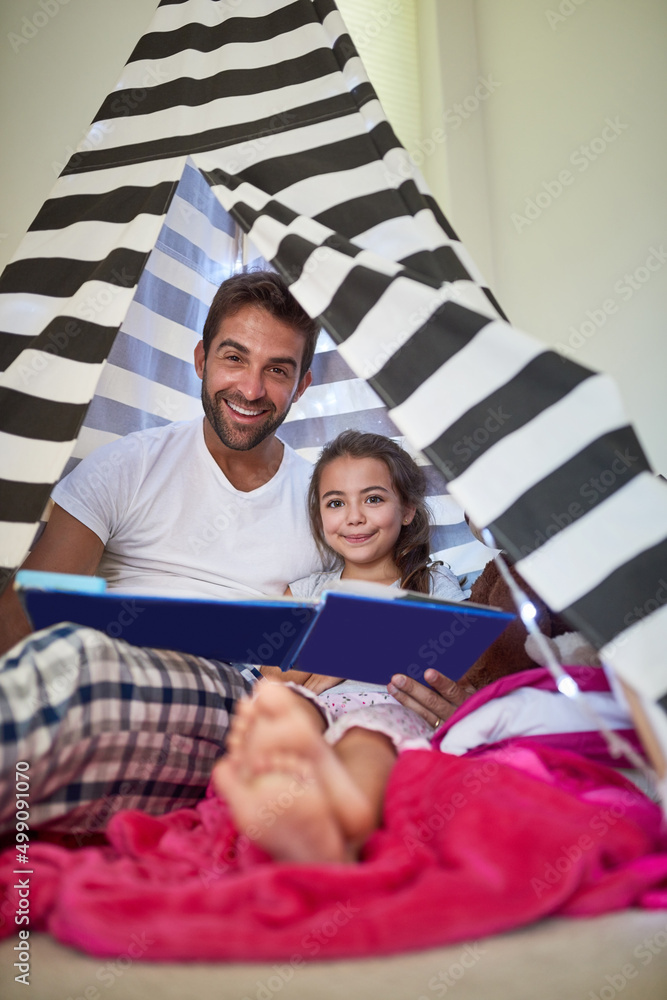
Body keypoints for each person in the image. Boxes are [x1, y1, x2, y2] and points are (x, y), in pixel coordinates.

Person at [0, 270, 325, 837]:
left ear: (301, 385)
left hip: (229, 706)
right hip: (91, 693)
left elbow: (351, 638)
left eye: (277, 370)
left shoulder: (328, 503)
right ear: (200, 358)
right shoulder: (126, 466)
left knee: (80, 673)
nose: (251, 389)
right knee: (69, 675)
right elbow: (23, 620)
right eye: (234, 357)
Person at [212, 431, 470, 863]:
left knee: (368, 732)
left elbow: (457, 663)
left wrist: (327, 658)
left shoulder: (430, 584)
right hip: (314, 706)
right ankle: (284, 792)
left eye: (372, 499)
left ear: (407, 509)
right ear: (319, 516)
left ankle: (340, 826)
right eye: (335, 503)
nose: (353, 517)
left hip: (387, 707)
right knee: (285, 706)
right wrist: (338, 663)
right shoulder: (309, 589)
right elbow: (275, 675)